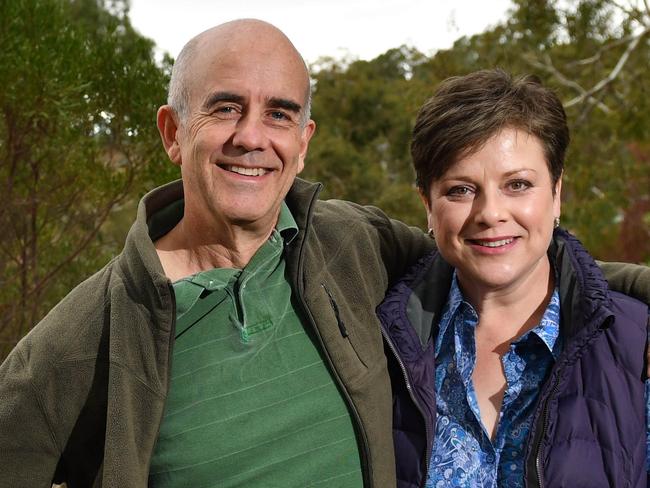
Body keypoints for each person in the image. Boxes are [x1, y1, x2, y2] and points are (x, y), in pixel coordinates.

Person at [0, 21, 647, 488]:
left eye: (278, 114)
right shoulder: (97, 328)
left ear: (303, 141)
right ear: (173, 132)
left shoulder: (345, 246)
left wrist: (619, 301)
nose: (252, 137)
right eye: (226, 108)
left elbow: (499, 258)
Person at [377, 69, 650, 488]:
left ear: (557, 193)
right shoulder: (378, 346)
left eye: (518, 184)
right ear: (427, 205)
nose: (490, 213)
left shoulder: (637, 345)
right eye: (460, 190)